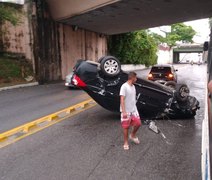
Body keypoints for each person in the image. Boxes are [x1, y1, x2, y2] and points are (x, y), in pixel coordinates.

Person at [120, 72, 141, 150]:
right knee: (126, 127)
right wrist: (124, 112)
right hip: (126, 111)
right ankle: (126, 142)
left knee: (138, 123)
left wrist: (135, 109)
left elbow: (133, 99)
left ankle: (132, 135)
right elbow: (122, 99)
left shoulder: (133, 87)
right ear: (132, 78)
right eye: (135, 78)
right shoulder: (124, 86)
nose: (136, 79)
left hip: (133, 110)